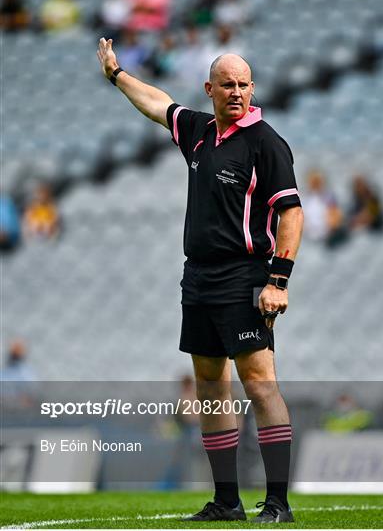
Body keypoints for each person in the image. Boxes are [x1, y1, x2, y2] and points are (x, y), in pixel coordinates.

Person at [97, 38, 303, 523]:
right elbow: (156, 103)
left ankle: (278, 502)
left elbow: (291, 213)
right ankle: (227, 502)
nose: (236, 92)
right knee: (210, 384)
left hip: (247, 274)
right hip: (199, 277)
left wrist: (279, 280)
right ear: (209, 89)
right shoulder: (197, 131)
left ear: (253, 89)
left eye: (244, 85)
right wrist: (115, 74)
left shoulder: (266, 142)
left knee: (260, 384)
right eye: (227, 85)